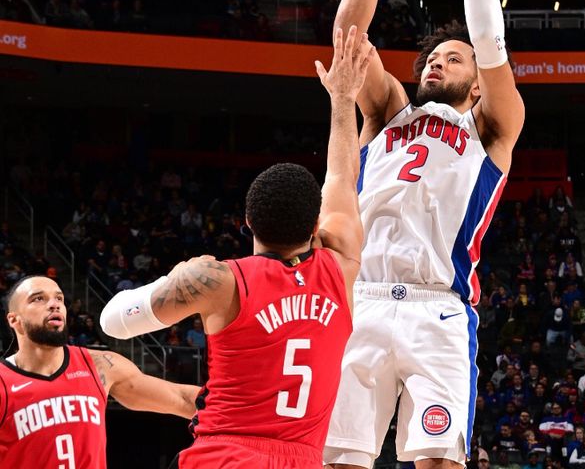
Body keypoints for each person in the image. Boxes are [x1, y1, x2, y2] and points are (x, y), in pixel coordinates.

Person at [323, 0, 525, 469]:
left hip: (439, 308)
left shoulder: (491, 127)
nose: (438, 62)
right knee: (338, 461)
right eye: (432, 56)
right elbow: (347, 37)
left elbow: (490, 41)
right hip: (360, 299)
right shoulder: (388, 110)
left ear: (475, 80)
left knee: (438, 463)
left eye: (452, 57)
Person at [100, 27, 372, 468]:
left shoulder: (216, 280)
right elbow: (342, 178)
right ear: (316, 226)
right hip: (302, 459)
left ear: (246, 221)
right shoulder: (341, 268)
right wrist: (343, 99)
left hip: (223, 455)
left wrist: (177, 277)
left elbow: (112, 322)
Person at [0, 275, 199, 468]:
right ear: (14, 319)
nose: (54, 304)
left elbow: (181, 398)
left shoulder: (100, 365)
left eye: (58, 298)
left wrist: (227, 400)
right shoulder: (3, 382)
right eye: (38, 298)